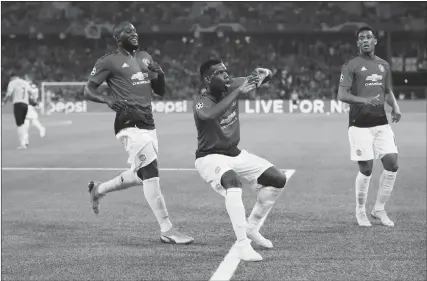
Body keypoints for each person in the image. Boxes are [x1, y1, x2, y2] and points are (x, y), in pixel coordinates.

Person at [84, 22, 194, 244]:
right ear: (117, 38)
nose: (133, 33)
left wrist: (159, 73)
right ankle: (167, 229)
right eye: (128, 31)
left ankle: (99, 189)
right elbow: (88, 89)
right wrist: (107, 99)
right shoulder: (109, 61)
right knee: (151, 173)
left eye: (135, 31)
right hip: (128, 121)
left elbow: (160, 91)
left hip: (148, 121)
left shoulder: (145, 57)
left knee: (140, 174)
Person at [193, 59, 288, 261]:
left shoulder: (234, 84)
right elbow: (210, 115)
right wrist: (237, 92)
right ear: (209, 79)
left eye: (226, 71)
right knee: (232, 182)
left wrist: (265, 72)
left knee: (278, 179)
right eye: (220, 73)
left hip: (234, 153)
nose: (226, 75)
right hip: (209, 157)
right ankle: (242, 244)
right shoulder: (202, 101)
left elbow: (265, 76)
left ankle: (252, 228)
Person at [338, 26, 402, 227]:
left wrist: (396, 107)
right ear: (358, 43)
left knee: (392, 164)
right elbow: (342, 95)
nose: (365, 40)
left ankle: (379, 209)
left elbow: (387, 91)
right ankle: (360, 211)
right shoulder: (351, 65)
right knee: (366, 169)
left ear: (375, 41)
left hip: (381, 123)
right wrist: (364, 101)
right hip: (359, 125)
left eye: (368, 37)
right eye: (361, 38)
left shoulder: (384, 65)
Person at [2, 73, 36, 150]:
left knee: (19, 124)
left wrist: (4, 101)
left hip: (18, 104)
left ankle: (22, 144)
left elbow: (9, 93)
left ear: (12, 77)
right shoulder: (25, 82)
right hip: (25, 104)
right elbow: (32, 92)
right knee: (23, 123)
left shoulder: (12, 83)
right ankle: (26, 139)